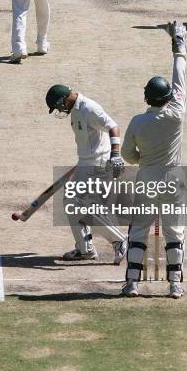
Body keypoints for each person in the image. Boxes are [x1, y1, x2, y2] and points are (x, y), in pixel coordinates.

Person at [120, 22, 187, 299]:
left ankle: (133, 284)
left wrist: (140, 159)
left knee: (139, 230)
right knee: (175, 233)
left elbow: (126, 155)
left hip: (147, 177)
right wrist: (178, 46)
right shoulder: (177, 114)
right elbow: (180, 79)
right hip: (172, 179)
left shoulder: (138, 122)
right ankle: (175, 285)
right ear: (168, 98)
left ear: (147, 96)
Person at [45, 84, 127, 263]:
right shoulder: (75, 110)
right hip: (86, 164)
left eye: (58, 106)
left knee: (84, 206)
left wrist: (115, 154)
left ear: (63, 99)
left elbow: (113, 126)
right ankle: (85, 249)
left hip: (100, 164)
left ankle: (119, 240)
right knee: (70, 202)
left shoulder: (89, 108)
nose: (59, 110)